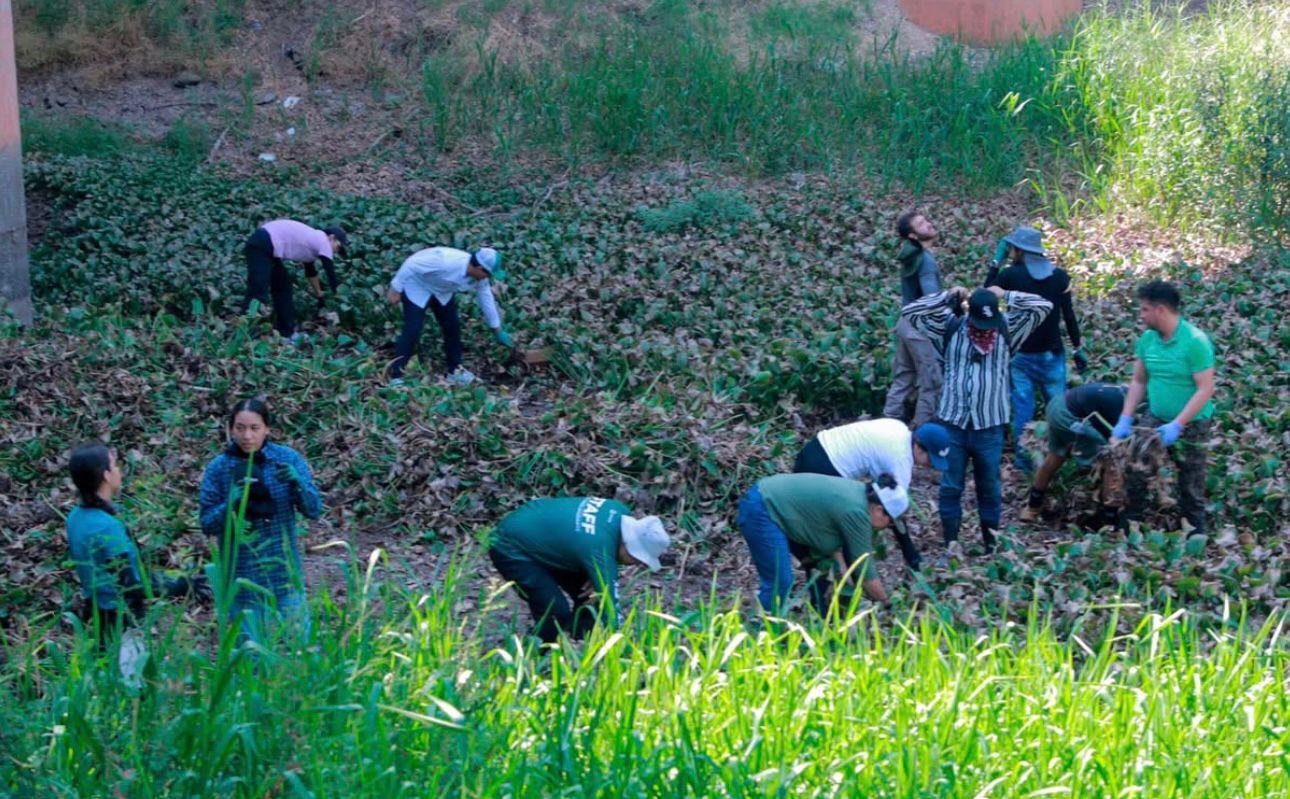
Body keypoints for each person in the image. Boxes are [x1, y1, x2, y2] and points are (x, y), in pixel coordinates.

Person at [902, 285, 1052, 555]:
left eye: (989, 323)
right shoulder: (949, 328)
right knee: (950, 487)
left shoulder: (1007, 330)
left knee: (990, 488)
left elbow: (1043, 306)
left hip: (990, 426)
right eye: (979, 324)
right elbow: (911, 310)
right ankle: (950, 545)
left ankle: (990, 547)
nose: (984, 330)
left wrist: (1005, 294)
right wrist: (950, 295)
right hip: (954, 424)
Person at [66, 441, 203, 684]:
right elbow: (131, 584)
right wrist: (182, 585)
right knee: (132, 688)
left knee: (105, 679)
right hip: (120, 619)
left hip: (95, 613)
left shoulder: (75, 517)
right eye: (114, 465)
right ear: (106, 475)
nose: (119, 470)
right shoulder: (106, 527)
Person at [199, 398, 322, 645]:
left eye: (254, 428)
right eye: (240, 428)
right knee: (251, 656)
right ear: (231, 429)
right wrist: (231, 504)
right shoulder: (219, 468)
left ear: (267, 429)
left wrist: (298, 483)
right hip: (242, 576)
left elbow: (314, 510)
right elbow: (207, 524)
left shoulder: (285, 459)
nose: (247, 436)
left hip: (284, 573)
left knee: (301, 649)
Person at [488, 497, 671, 644]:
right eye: (636, 559)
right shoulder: (599, 549)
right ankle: (537, 653)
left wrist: (598, 571)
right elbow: (612, 610)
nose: (635, 565)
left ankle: (580, 641)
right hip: (509, 545)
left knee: (590, 598)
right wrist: (624, 648)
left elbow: (591, 544)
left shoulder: (619, 512)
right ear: (628, 544)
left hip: (544, 536)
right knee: (554, 609)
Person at [1111, 280, 1216, 535]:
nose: (1141, 315)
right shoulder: (1148, 340)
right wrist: (1124, 419)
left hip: (1193, 423)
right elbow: (1138, 381)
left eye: (1145, 309)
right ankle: (1130, 529)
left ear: (1160, 310)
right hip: (1156, 417)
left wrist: (1179, 424)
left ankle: (1195, 538)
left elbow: (1205, 389)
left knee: (1191, 484)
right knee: (1136, 471)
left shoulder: (1195, 341)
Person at [985, 226, 1086, 472]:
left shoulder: (1010, 276)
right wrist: (1077, 348)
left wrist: (995, 262)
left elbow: (985, 297)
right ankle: (1063, 458)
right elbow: (1069, 317)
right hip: (1052, 354)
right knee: (1060, 411)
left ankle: (1024, 461)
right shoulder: (1060, 277)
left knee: (1023, 410)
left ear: (1018, 250)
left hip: (1020, 355)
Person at [737, 473, 893, 617]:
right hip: (763, 508)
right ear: (879, 510)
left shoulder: (857, 495)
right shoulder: (857, 512)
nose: (888, 527)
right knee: (780, 582)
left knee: (819, 568)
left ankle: (819, 616)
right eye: (890, 522)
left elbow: (835, 552)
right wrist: (886, 603)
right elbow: (864, 569)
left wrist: (846, 582)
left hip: (766, 497)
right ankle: (758, 631)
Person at [792, 417, 927, 570]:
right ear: (918, 447)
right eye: (930, 459)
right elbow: (895, 508)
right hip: (826, 468)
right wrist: (910, 553)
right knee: (843, 530)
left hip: (815, 447)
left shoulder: (899, 428)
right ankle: (846, 577)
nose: (931, 465)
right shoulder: (901, 460)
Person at [386, 246, 515, 386]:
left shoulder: (480, 278)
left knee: (452, 328)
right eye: (488, 274)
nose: (488, 278)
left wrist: (497, 329)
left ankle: (455, 371)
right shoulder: (445, 260)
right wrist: (395, 289)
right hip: (418, 285)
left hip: (442, 291)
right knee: (412, 329)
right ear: (479, 267)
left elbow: (486, 299)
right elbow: (411, 264)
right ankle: (396, 376)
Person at [1019, 383, 1128, 526]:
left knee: (1055, 458)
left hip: (1057, 405)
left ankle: (1032, 508)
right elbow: (1114, 438)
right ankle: (1111, 522)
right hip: (1069, 417)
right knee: (1111, 463)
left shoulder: (1114, 391)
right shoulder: (1121, 406)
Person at [882, 211, 944, 428]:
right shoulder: (925, 260)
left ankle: (888, 424)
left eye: (926, 220)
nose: (928, 224)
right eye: (921, 224)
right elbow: (931, 299)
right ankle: (920, 434)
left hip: (905, 323)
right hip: (920, 328)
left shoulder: (911, 256)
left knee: (904, 378)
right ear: (913, 236)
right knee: (932, 382)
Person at [243, 219, 348, 342]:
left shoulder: (313, 242)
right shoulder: (322, 239)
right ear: (332, 238)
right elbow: (330, 272)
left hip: (270, 248)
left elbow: (311, 272)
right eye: (338, 247)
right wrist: (338, 295)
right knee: (258, 289)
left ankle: (287, 332)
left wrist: (320, 296)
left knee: (284, 287)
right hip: (262, 243)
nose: (336, 251)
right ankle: (244, 329)